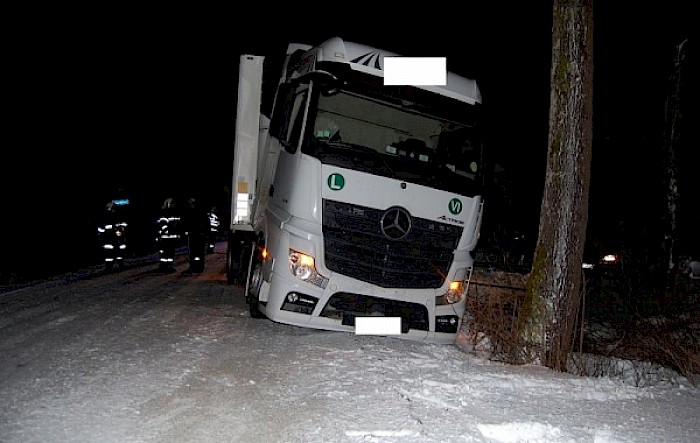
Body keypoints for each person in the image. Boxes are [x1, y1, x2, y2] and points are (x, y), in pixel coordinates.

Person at [97, 201, 128, 272]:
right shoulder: (111, 215)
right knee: (113, 253)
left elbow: (122, 224)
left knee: (114, 253)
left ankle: (113, 267)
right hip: (110, 237)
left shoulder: (113, 215)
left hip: (112, 237)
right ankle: (117, 266)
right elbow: (102, 227)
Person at [181, 197, 210, 273]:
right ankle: (195, 267)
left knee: (198, 252)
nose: (190, 205)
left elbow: (206, 223)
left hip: (198, 235)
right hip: (194, 235)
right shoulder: (191, 212)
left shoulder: (198, 212)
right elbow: (185, 223)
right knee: (193, 253)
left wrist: (205, 233)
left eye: (191, 203)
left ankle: (197, 267)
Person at [155, 197, 181, 272]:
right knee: (166, 253)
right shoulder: (165, 213)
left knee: (170, 253)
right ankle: (165, 266)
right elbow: (163, 225)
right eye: (173, 203)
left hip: (170, 237)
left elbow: (177, 225)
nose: (174, 205)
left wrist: (177, 234)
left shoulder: (174, 213)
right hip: (165, 238)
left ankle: (167, 266)